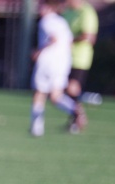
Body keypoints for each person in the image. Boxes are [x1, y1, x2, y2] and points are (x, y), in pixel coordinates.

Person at [29, 0, 81, 137]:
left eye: (41, 6)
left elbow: (54, 39)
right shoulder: (62, 22)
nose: (39, 9)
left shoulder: (46, 21)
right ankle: (76, 111)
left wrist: (38, 52)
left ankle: (36, 128)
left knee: (40, 93)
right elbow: (69, 43)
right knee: (56, 97)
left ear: (49, 7)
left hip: (47, 62)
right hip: (62, 63)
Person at [63, 0, 99, 132]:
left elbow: (89, 37)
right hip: (64, 57)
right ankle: (77, 117)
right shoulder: (67, 11)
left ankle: (78, 116)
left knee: (72, 88)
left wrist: (71, 40)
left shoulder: (86, 12)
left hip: (80, 58)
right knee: (65, 89)